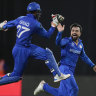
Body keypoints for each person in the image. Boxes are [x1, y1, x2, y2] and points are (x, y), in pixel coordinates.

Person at [0, 2, 70, 85]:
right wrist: (53, 25)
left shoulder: (20, 18)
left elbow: (4, 26)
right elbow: (47, 35)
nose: (39, 14)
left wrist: (3, 26)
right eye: (38, 12)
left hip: (26, 47)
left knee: (48, 53)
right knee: (16, 77)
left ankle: (57, 75)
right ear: (36, 12)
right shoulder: (36, 24)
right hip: (21, 51)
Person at [34, 23, 96, 96]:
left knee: (62, 94)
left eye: (76, 31)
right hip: (64, 68)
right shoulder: (66, 41)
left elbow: (84, 57)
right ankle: (44, 86)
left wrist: (93, 65)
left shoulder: (80, 45)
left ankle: (44, 86)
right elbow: (58, 43)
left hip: (71, 70)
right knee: (74, 89)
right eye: (73, 30)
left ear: (80, 33)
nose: (74, 32)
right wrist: (60, 32)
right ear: (70, 32)